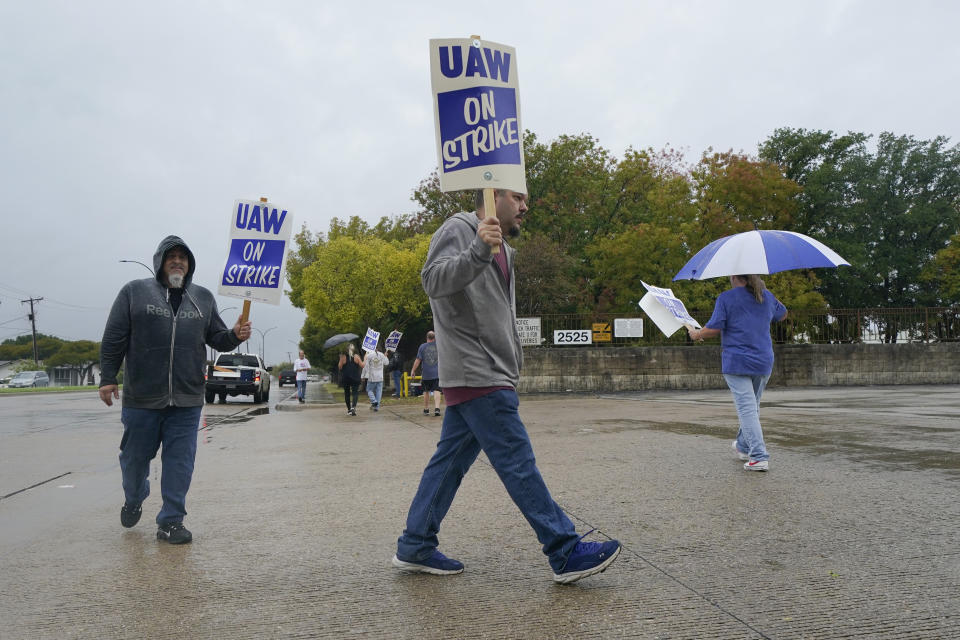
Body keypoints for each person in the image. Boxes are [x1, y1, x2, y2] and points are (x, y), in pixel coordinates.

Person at [392, 189, 621, 584]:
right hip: (479, 372)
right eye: (518, 197)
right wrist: (478, 250)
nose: (525, 206)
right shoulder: (460, 229)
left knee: (448, 466)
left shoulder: (505, 251)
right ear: (492, 194)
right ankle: (563, 549)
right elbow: (432, 280)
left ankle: (415, 544)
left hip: (486, 372)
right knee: (517, 462)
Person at [99, 236, 251, 544]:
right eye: (172, 257)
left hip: (187, 397)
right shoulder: (134, 293)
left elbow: (217, 337)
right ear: (160, 261)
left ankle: (171, 520)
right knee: (133, 461)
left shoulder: (203, 298)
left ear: (190, 264)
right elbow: (114, 336)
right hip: (142, 398)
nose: (178, 261)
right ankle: (135, 495)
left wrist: (234, 335)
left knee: (180, 463)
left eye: (183, 257)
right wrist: (107, 376)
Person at [687, 274, 788, 472]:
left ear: (734, 276)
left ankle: (759, 456)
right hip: (763, 361)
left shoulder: (726, 298)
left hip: (737, 362)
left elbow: (714, 328)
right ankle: (743, 447)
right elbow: (783, 314)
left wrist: (696, 333)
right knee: (752, 407)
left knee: (747, 409)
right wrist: (768, 293)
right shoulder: (766, 296)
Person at [410, 331, 442, 417]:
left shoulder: (422, 347)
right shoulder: (439, 346)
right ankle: (437, 408)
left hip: (426, 374)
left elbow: (418, 360)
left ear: (427, 337)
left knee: (426, 391)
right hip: (437, 373)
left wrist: (413, 370)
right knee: (437, 390)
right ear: (435, 338)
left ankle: (426, 409)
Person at [338, 344, 363, 416]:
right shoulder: (356, 356)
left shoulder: (343, 357)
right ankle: (353, 407)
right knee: (355, 393)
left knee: (347, 393)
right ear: (353, 349)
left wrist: (340, 359)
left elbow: (340, 367)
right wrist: (365, 357)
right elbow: (362, 365)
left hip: (346, 378)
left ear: (347, 349)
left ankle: (349, 409)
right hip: (355, 377)